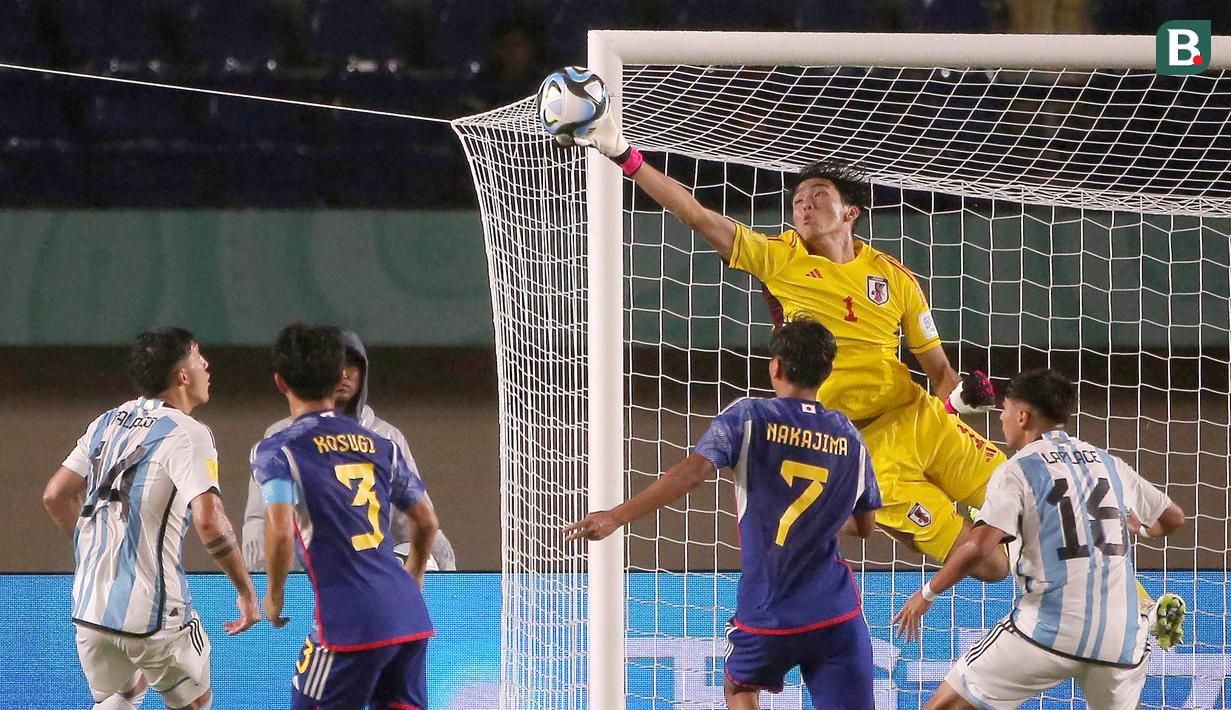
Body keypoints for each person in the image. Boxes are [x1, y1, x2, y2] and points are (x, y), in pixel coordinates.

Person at [564, 105, 1186, 648]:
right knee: (993, 565)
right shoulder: (777, 258)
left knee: (1037, 491)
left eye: (816, 197)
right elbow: (699, 215)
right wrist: (626, 156)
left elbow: (939, 372)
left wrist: (966, 396)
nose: (803, 206)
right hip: (863, 449)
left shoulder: (899, 279)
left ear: (849, 210)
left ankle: (1143, 607)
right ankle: (1051, 600)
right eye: (797, 199)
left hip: (919, 417)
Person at [567, 318, 881, 710]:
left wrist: (616, 516)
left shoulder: (749, 417)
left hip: (768, 612)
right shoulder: (851, 437)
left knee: (740, 687)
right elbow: (866, 526)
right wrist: (817, 521)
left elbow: (694, 473)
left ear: (776, 367)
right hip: (836, 614)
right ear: (827, 373)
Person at [893, 368, 1187, 709]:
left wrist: (928, 593)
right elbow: (1172, 518)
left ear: (1022, 416)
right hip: (1122, 636)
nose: (1001, 418)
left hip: (1048, 628)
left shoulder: (1016, 469)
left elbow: (978, 547)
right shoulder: (1109, 463)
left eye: (1004, 410)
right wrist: (1143, 529)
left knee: (944, 705)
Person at [41, 327, 259, 710]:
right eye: (197, 356)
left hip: (90, 609)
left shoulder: (107, 421)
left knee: (126, 693)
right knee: (195, 703)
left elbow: (56, 495)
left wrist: (94, 553)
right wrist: (245, 590)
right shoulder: (189, 433)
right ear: (182, 375)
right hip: (154, 613)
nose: (206, 365)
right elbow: (210, 522)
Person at [254, 323, 439, 709]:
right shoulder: (381, 444)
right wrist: (415, 575)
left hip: (348, 623)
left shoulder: (278, 449)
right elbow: (426, 520)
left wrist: (273, 596)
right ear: (338, 376)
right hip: (408, 616)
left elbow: (281, 531)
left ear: (280, 381)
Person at [241, 330, 456, 572]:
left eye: (352, 366)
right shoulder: (281, 438)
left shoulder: (386, 438)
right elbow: (261, 519)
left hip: (371, 570)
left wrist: (440, 573)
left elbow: (416, 520)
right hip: (302, 571)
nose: (344, 375)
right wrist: (266, 578)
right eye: (336, 366)